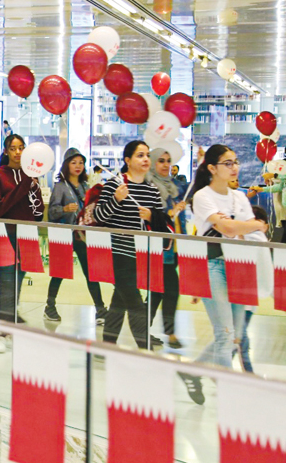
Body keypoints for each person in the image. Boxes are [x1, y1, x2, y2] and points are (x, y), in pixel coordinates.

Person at [179, 145, 267, 405]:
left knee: (236, 335)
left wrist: (245, 226)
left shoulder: (239, 197)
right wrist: (248, 224)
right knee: (224, 333)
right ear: (212, 168)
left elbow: (251, 230)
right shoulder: (202, 196)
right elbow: (230, 228)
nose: (235, 167)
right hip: (213, 266)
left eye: (236, 162)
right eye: (228, 163)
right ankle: (228, 398)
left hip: (240, 265)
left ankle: (193, 372)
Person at [93, 141, 165, 350]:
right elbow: (99, 216)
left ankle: (106, 346)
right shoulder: (115, 185)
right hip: (117, 252)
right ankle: (145, 349)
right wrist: (116, 199)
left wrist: (152, 216)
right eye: (140, 155)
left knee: (119, 301)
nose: (145, 159)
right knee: (134, 301)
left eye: (147, 155)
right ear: (127, 160)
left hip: (141, 254)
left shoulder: (152, 190)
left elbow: (161, 222)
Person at [0, 134, 44, 352]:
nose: (18, 152)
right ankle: (1, 332)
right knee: (6, 281)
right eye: (13, 148)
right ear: (6, 151)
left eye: (22, 148)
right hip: (5, 234)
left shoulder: (31, 175)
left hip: (27, 234)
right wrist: (24, 187)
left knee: (18, 280)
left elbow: (37, 213)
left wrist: (34, 190)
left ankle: (10, 318)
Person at [44, 148, 107, 325]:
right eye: (74, 162)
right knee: (59, 272)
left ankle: (100, 309)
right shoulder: (60, 187)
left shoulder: (87, 187)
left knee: (90, 272)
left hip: (82, 235)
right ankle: (50, 306)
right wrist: (64, 209)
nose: (78, 166)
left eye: (81, 162)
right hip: (64, 235)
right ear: (66, 165)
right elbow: (52, 212)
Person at [145, 148, 187, 349]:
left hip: (173, 248)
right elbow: (150, 217)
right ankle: (169, 333)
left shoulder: (172, 187)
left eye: (168, 160)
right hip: (158, 250)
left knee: (158, 293)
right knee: (169, 290)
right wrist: (170, 213)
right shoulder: (149, 186)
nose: (165, 164)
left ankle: (144, 328)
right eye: (160, 160)